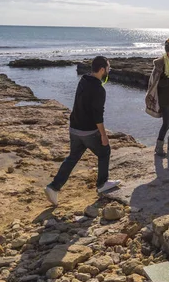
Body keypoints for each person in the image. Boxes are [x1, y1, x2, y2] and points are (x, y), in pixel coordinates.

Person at [44, 56, 120, 206]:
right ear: (103, 69)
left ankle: (53, 187)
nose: (109, 71)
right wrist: (104, 135)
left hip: (74, 128)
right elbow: (98, 116)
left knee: (72, 157)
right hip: (88, 131)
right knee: (104, 151)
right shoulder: (99, 89)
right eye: (108, 68)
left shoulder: (83, 80)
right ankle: (102, 184)